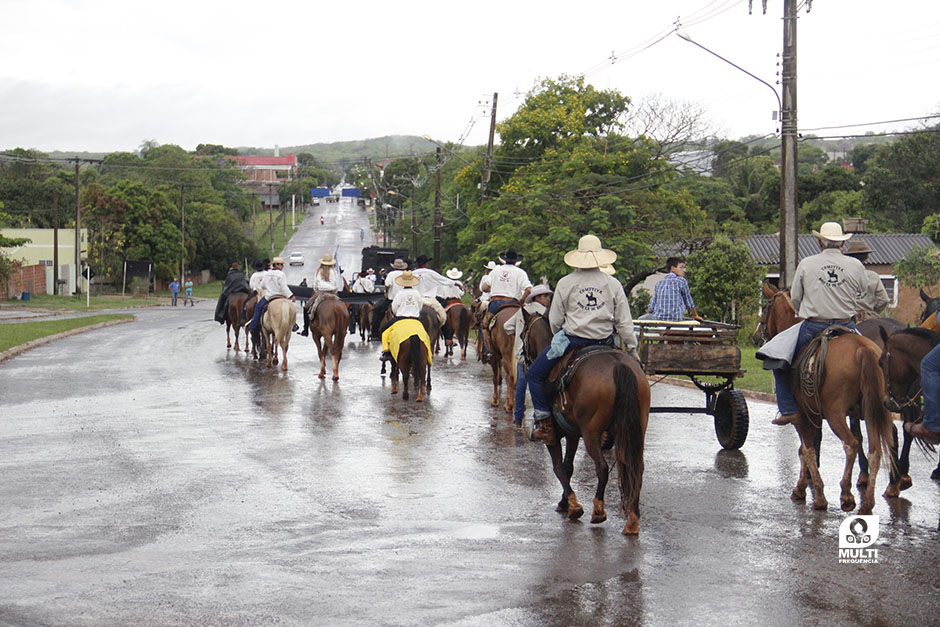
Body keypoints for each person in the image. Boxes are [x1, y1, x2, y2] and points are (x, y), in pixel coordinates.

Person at [528, 235, 638, 444]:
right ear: (599, 256)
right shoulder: (612, 283)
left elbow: (555, 320)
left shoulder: (565, 282)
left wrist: (559, 333)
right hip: (606, 343)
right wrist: (632, 349)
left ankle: (546, 426)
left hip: (573, 342)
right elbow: (624, 322)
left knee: (534, 374)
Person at [771, 221, 868, 426]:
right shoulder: (856, 265)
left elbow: (795, 298)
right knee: (875, 359)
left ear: (819, 242)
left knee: (777, 359)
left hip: (814, 326)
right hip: (847, 327)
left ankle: (789, 409)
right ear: (842, 244)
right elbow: (863, 292)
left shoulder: (807, 264)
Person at [504, 284, 552, 427]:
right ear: (536, 297)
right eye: (544, 296)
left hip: (522, 355)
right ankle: (540, 419)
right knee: (541, 387)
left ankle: (518, 417)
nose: (547, 299)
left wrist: (519, 335)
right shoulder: (546, 313)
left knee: (520, 386)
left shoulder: (522, 311)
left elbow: (507, 327)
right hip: (541, 357)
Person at [482, 249, 532, 350]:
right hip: (513, 303)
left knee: (485, 325)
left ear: (504, 260)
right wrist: (521, 301)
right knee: (528, 325)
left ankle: (488, 350)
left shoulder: (495, 271)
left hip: (496, 303)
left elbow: (484, 288)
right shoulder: (520, 272)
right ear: (516, 261)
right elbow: (529, 290)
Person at [412, 254, 459, 345]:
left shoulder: (413, 274)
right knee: (443, 317)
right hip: (430, 300)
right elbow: (443, 280)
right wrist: (456, 284)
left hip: (416, 300)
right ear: (426, 264)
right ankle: (448, 338)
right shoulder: (431, 273)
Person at [249, 257, 296, 336]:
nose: (282, 266)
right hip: (281, 296)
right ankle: (293, 325)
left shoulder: (267, 274)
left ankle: (253, 325)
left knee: (258, 307)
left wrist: (259, 289)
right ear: (276, 265)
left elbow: (262, 286)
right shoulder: (281, 274)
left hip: (269, 296)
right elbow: (284, 287)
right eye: (281, 264)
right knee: (290, 309)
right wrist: (291, 296)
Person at [843, 239, 889, 318]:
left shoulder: (843, 275)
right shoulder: (873, 276)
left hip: (848, 317)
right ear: (867, 257)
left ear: (849, 257)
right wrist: (873, 312)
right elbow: (884, 300)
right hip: (869, 316)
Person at [302, 253, 344, 335]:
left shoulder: (318, 271)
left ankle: (305, 329)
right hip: (332, 292)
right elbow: (336, 284)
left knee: (306, 307)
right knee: (344, 308)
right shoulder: (334, 271)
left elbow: (314, 284)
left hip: (320, 292)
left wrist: (317, 290)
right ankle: (345, 328)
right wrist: (334, 291)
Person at [371, 259, 409, 339]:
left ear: (394, 267)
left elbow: (387, 285)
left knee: (377, 311)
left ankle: (374, 333)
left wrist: (386, 293)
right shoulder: (406, 274)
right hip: (405, 300)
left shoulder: (391, 274)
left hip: (391, 299)